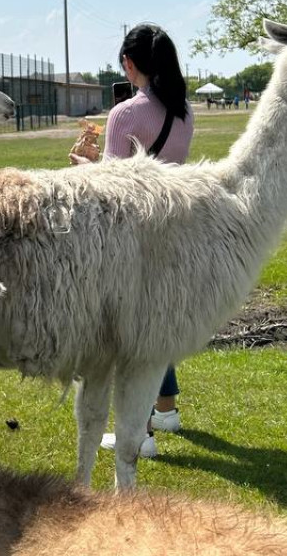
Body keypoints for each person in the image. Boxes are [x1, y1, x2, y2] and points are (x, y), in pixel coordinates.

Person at [72, 23, 194, 458]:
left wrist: (82, 166)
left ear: (129, 64)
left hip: (132, 239)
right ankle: (166, 410)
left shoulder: (125, 114)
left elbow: (110, 188)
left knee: (136, 337)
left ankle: (139, 433)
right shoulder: (185, 112)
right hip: (173, 230)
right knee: (159, 325)